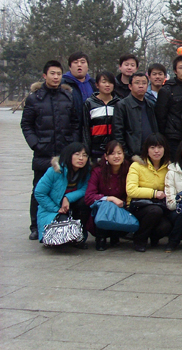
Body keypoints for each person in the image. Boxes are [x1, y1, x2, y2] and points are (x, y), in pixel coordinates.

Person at [21, 60, 80, 240]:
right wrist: (36, 144)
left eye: (58, 74)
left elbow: (75, 123)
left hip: (64, 152)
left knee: (64, 189)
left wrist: (72, 144)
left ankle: (63, 221)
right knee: (39, 189)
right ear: (44, 75)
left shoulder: (68, 96)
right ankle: (35, 226)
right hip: (43, 152)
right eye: (52, 73)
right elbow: (26, 124)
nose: (56, 77)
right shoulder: (34, 98)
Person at [34, 142, 92, 247]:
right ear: (69, 155)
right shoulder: (55, 171)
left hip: (72, 206)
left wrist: (68, 198)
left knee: (85, 202)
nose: (81, 158)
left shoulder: (86, 171)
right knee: (62, 231)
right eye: (77, 154)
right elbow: (39, 192)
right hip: (53, 209)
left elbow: (85, 189)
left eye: (84, 155)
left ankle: (79, 236)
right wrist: (57, 209)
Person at [125, 133, 171, 252]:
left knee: (166, 225)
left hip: (159, 205)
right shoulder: (136, 165)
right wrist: (154, 193)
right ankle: (139, 240)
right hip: (138, 206)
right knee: (155, 211)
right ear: (147, 149)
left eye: (160, 147)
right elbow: (131, 190)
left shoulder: (169, 167)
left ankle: (154, 237)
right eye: (152, 147)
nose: (156, 151)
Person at [84, 140, 131, 251]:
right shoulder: (98, 171)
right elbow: (89, 196)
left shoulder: (129, 170)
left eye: (119, 153)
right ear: (106, 156)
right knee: (105, 207)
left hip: (122, 208)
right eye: (112, 153)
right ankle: (101, 238)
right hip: (102, 209)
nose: (116, 156)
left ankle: (116, 235)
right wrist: (110, 199)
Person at [155, 54, 182, 159]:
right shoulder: (166, 90)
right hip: (173, 136)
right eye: (181, 68)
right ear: (175, 71)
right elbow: (160, 117)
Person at [112, 72, 158, 158]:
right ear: (130, 86)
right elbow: (118, 133)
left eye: (144, 83)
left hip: (151, 152)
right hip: (132, 154)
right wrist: (128, 154)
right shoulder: (122, 105)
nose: (141, 86)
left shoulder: (150, 105)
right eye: (137, 83)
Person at [82, 71, 119, 160]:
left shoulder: (119, 103)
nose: (107, 85)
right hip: (96, 149)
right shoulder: (89, 103)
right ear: (97, 85)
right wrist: (87, 151)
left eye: (110, 82)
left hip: (115, 150)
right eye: (104, 82)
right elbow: (85, 128)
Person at [62, 51, 96, 122]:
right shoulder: (63, 84)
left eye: (82, 62)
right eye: (75, 62)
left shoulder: (94, 84)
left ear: (87, 66)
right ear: (70, 67)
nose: (79, 65)